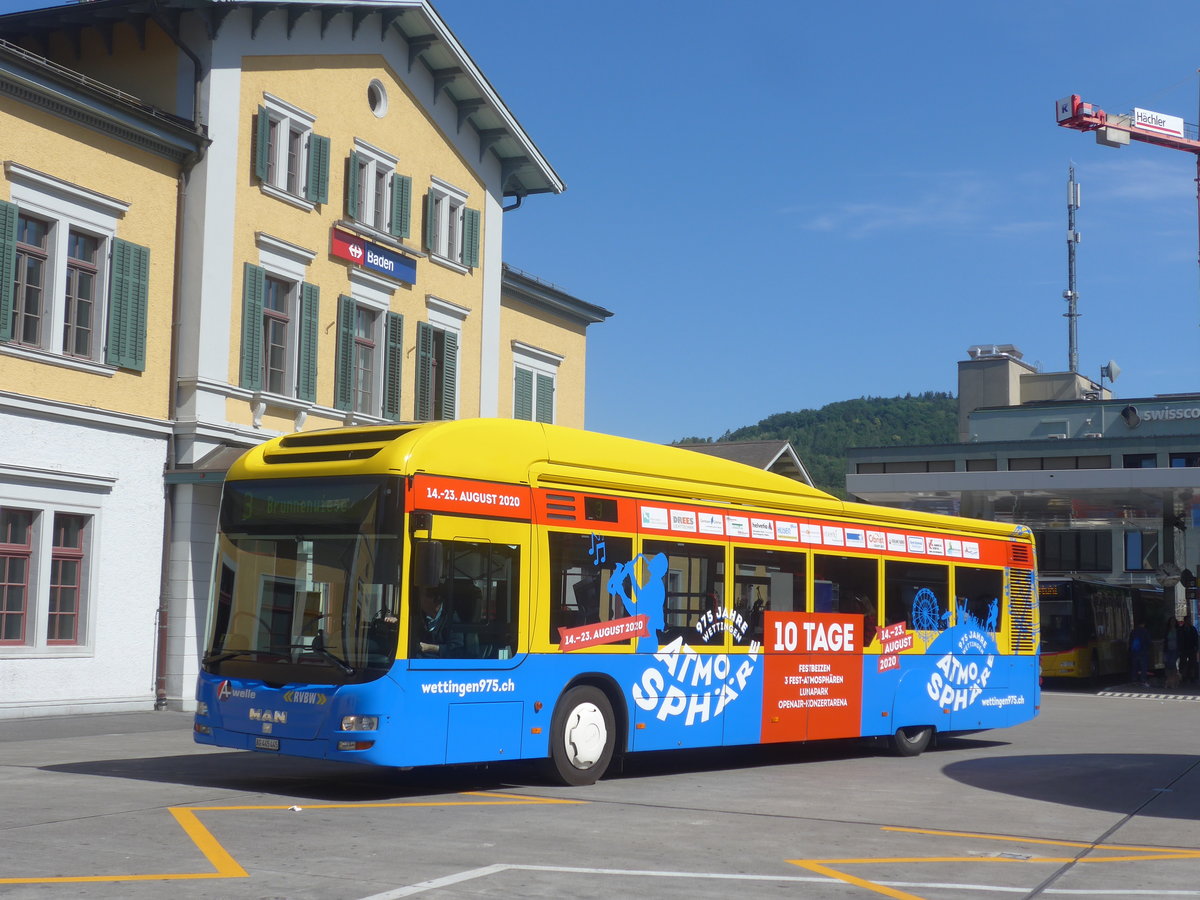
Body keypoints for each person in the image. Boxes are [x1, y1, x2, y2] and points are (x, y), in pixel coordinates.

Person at [413, 586, 462, 658]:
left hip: (441, 664)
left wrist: (430, 648)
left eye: (420, 596)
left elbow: (456, 650)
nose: (418, 600)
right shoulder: (419, 615)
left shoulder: (451, 618)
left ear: (433, 599)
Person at [1129, 619, 1151, 687]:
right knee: (1143, 667)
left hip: (1135, 652)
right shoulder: (1145, 631)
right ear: (1144, 624)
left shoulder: (1133, 631)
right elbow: (1148, 641)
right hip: (1143, 652)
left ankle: (1134, 680)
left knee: (1134, 667)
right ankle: (1143, 680)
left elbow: (1130, 641)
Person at [1178, 615, 1199, 685]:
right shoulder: (1181, 629)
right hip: (1184, 649)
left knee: (1192, 663)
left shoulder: (1193, 629)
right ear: (1185, 621)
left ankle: (1192, 677)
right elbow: (1180, 639)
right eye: (1188, 620)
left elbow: (1196, 639)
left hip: (1191, 648)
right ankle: (1184, 677)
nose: (1189, 621)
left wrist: (1196, 647)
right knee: (1183, 663)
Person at [1163, 616, 1180, 689]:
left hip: (1175, 649)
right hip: (1168, 649)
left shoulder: (1178, 630)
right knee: (1168, 664)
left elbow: (1180, 640)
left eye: (1174, 621)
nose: (1172, 623)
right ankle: (1168, 680)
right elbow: (1165, 640)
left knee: (1173, 664)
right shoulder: (1167, 630)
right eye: (1171, 621)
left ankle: (1174, 680)